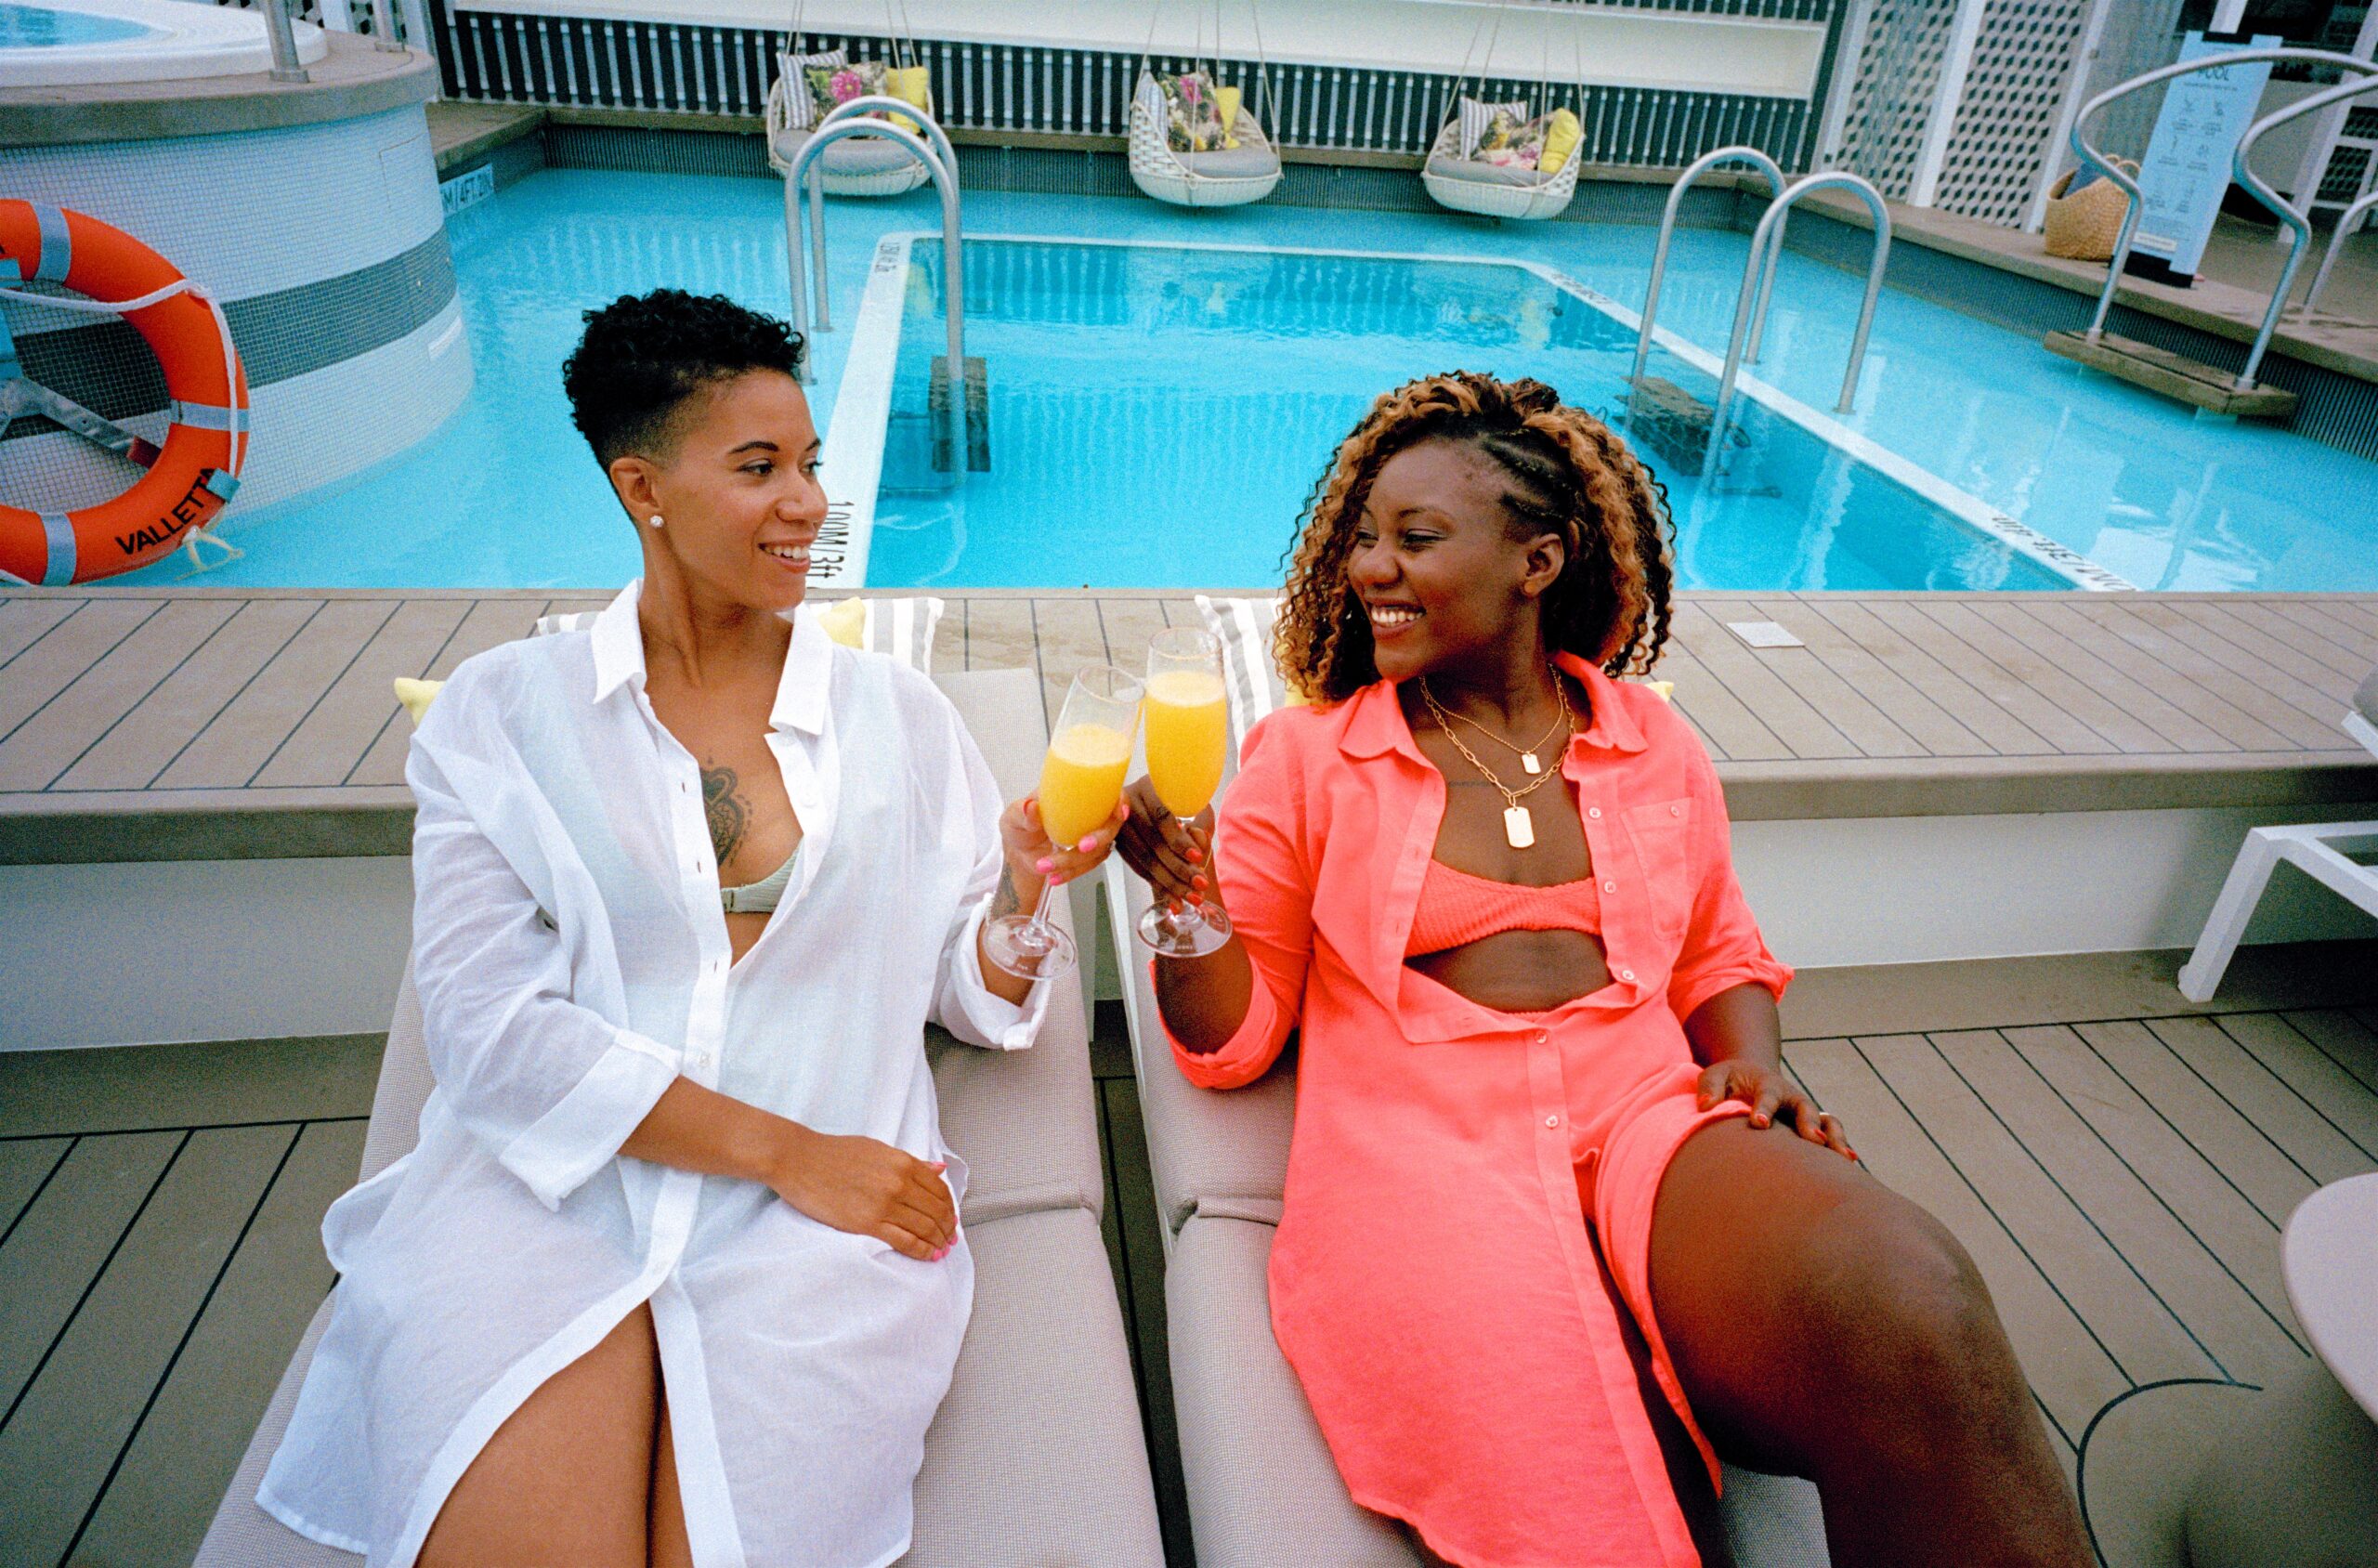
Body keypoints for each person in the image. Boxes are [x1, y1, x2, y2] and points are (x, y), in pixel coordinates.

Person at [1116, 372, 2089, 1568]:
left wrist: (1746, 1064)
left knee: (1910, 1300)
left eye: (1416, 538)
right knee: (1591, 1507)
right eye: (1362, 537)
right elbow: (1232, 1044)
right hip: (1426, 1154)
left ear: (1537, 562)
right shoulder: (1308, 758)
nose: (1370, 566)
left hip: (1646, 1119)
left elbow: (1719, 947)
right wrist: (1187, 902)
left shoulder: (1649, 741)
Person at [257, 290, 1123, 1568]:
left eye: (813, 463)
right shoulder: (500, 721)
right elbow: (492, 1039)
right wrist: (784, 1151)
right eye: (760, 468)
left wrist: (1016, 896)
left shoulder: (902, 721)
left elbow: (964, 990)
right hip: (549, 1194)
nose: (811, 504)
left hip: (823, 1242)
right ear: (641, 488)